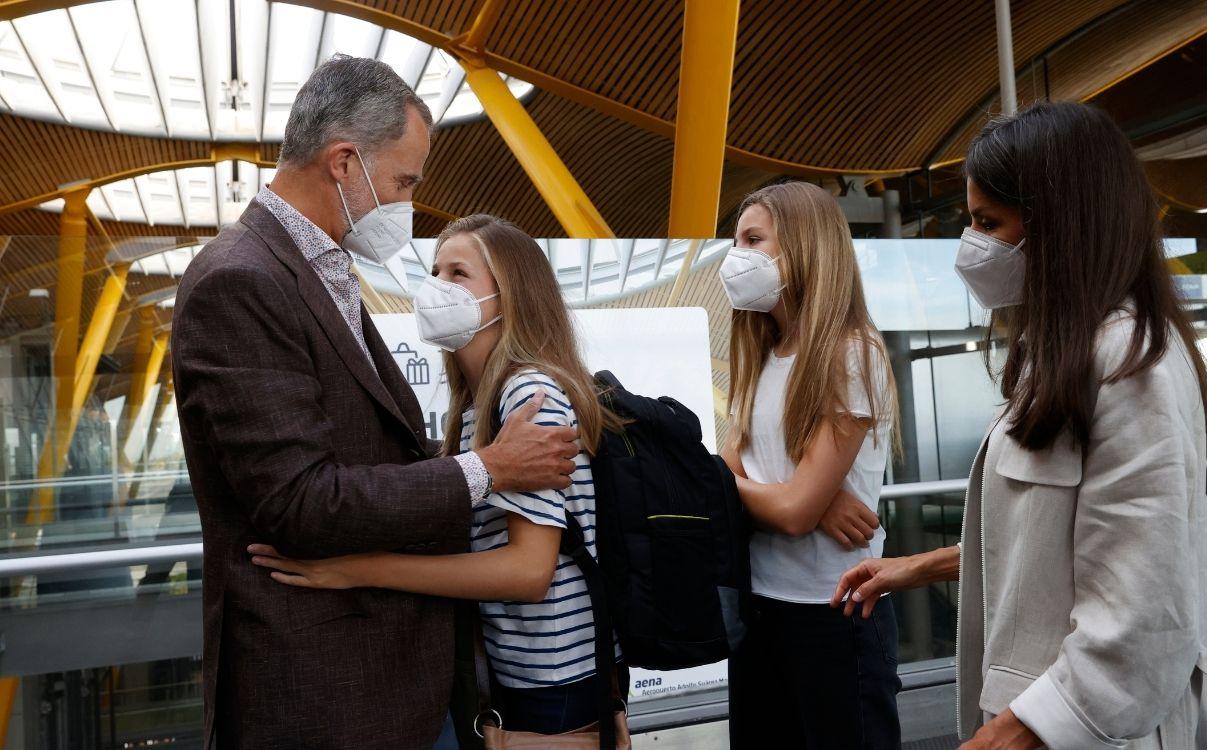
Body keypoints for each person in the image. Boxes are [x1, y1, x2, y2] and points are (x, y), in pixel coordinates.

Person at [171, 58, 578, 750]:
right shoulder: (241, 280)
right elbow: (300, 501)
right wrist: (488, 469)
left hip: (386, 680)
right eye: (404, 180)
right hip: (327, 693)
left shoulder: (316, 269)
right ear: (343, 162)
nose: (406, 201)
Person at [833, 102, 1207, 749]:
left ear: (1060, 225)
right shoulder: (1069, 355)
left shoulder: (1132, 367)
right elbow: (1062, 546)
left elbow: (1146, 612)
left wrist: (1016, 730)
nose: (972, 247)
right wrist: (918, 566)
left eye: (987, 223)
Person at [248, 214, 629, 738]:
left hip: (555, 680)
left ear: (510, 295)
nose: (436, 287)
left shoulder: (528, 395)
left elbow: (528, 572)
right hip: (517, 672)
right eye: (435, 271)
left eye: (458, 274)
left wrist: (358, 568)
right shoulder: (476, 405)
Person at [719, 182, 903, 749]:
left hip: (837, 612)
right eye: (735, 240)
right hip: (762, 607)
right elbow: (732, 463)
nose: (737, 256)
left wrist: (805, 498)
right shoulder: (762, 350)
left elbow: (792, 508)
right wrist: (803, 495)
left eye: (754, 239)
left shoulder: (852, 351)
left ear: (804, 246)